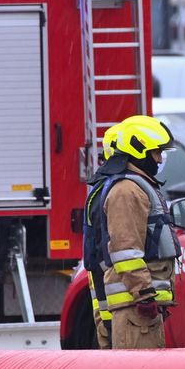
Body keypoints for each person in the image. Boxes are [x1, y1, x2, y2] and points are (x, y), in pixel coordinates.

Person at [87, 115, 179, 349]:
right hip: (135, 308)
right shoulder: (126, 191)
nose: (159, 159)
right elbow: (125, 251)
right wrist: (145, 294)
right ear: (139, 152)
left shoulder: (134, 186)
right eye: (156, 152)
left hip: (139, 308)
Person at [82, 122, 122, 349]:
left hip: (98, 273)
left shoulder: (99, 184)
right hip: (106, 274)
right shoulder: (111, 187)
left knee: (107, 334)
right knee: (112, 334)